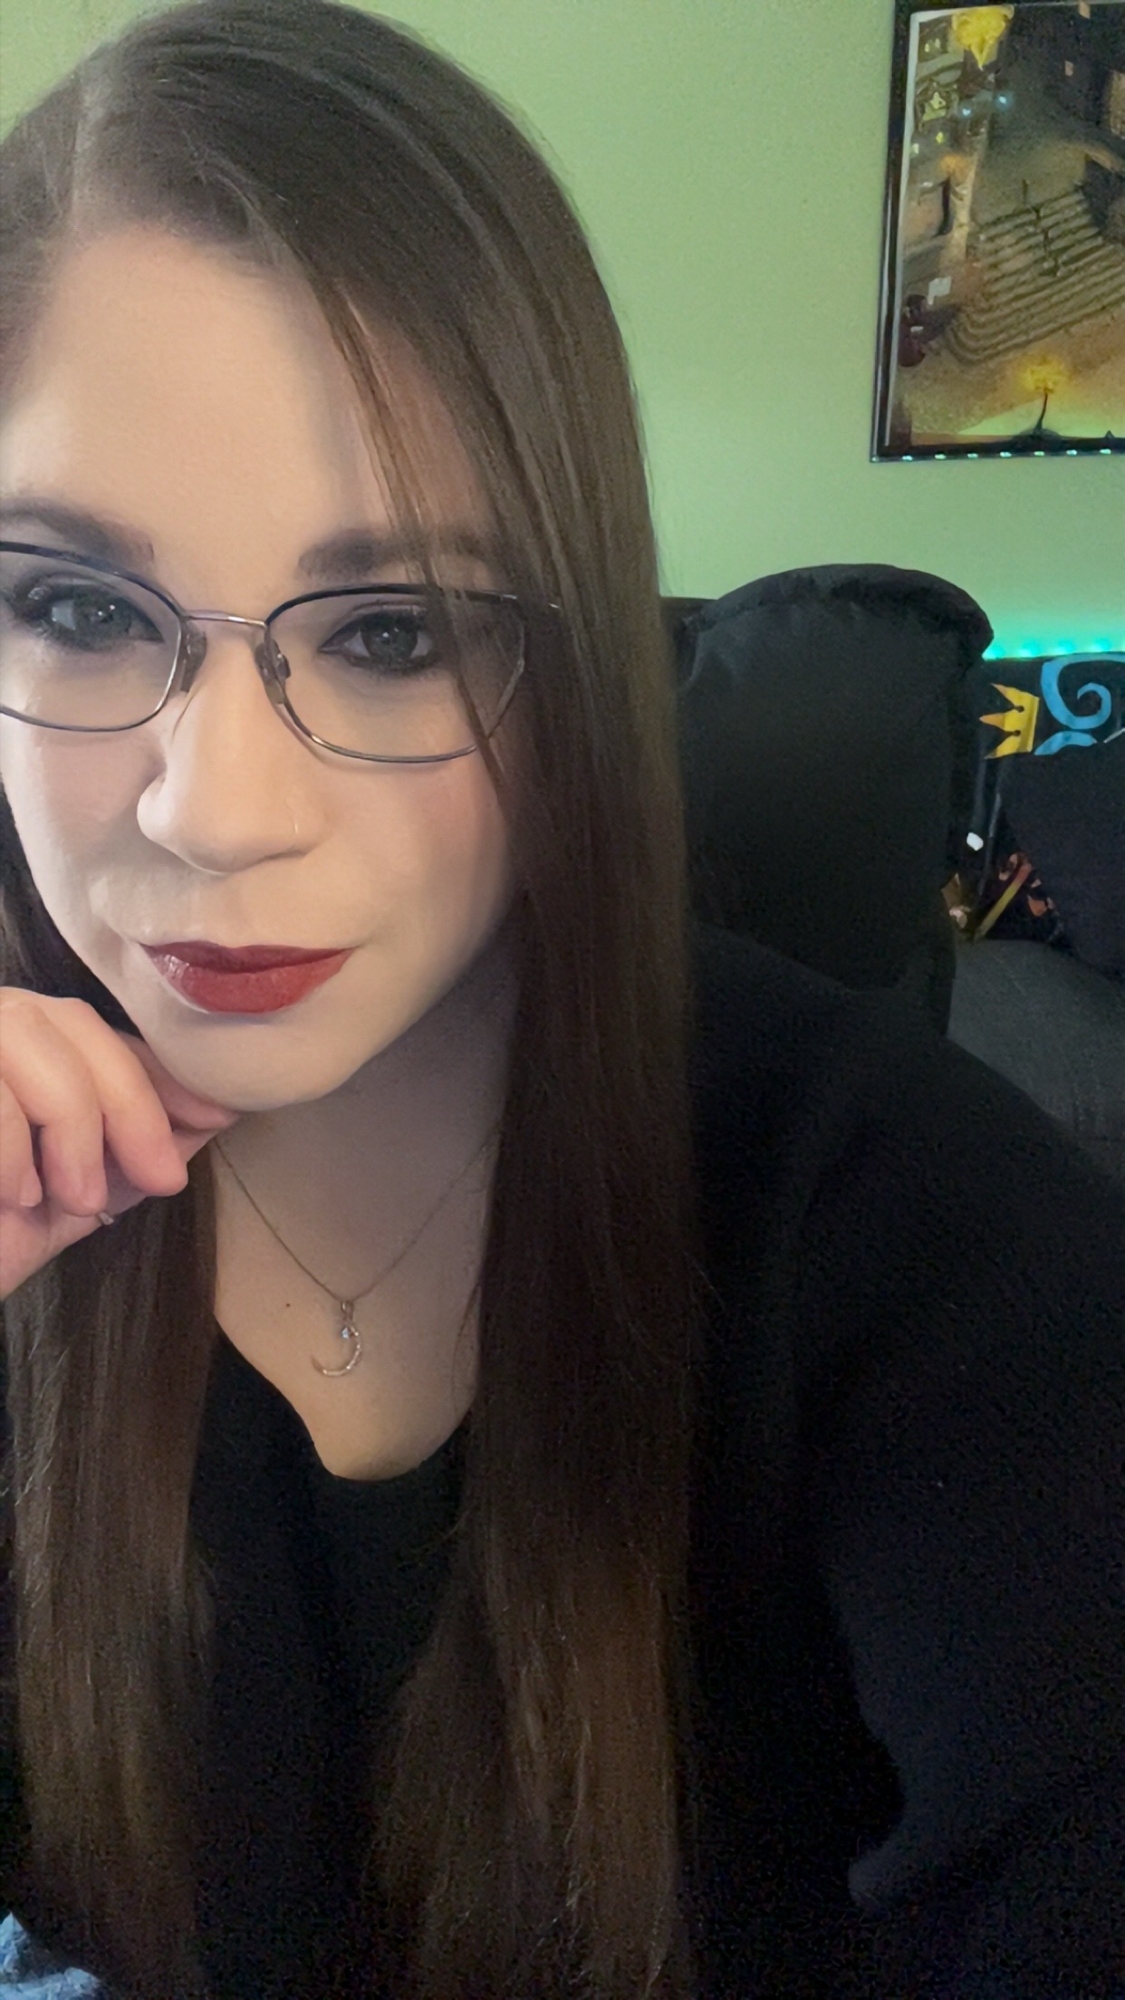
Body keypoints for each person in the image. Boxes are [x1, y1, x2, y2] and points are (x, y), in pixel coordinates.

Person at [0, 5, 1122, 1998]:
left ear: (577, 664)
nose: (213, 810)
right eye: (78, 607)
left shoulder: (933, 1248)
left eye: (394, 632)